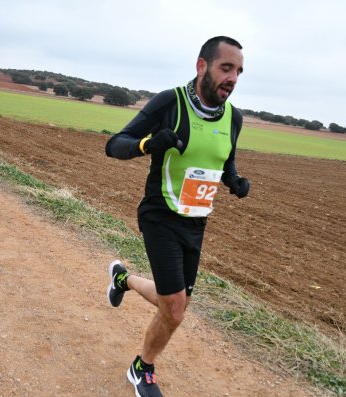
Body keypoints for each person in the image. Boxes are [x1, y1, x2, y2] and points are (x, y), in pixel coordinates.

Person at [105, 36, 250, 397]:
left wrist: (233, 179)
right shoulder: (171, 103)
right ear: (202, 66)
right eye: (226, 68)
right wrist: (147, 145)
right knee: (175, 309)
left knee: (175, 302)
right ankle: (142, 368)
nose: (233, 77)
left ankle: (123, 280)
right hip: (160, 215)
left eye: (239, 71)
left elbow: (224, 158)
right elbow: (115, 144)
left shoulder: (234, 118)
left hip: (197, 222)